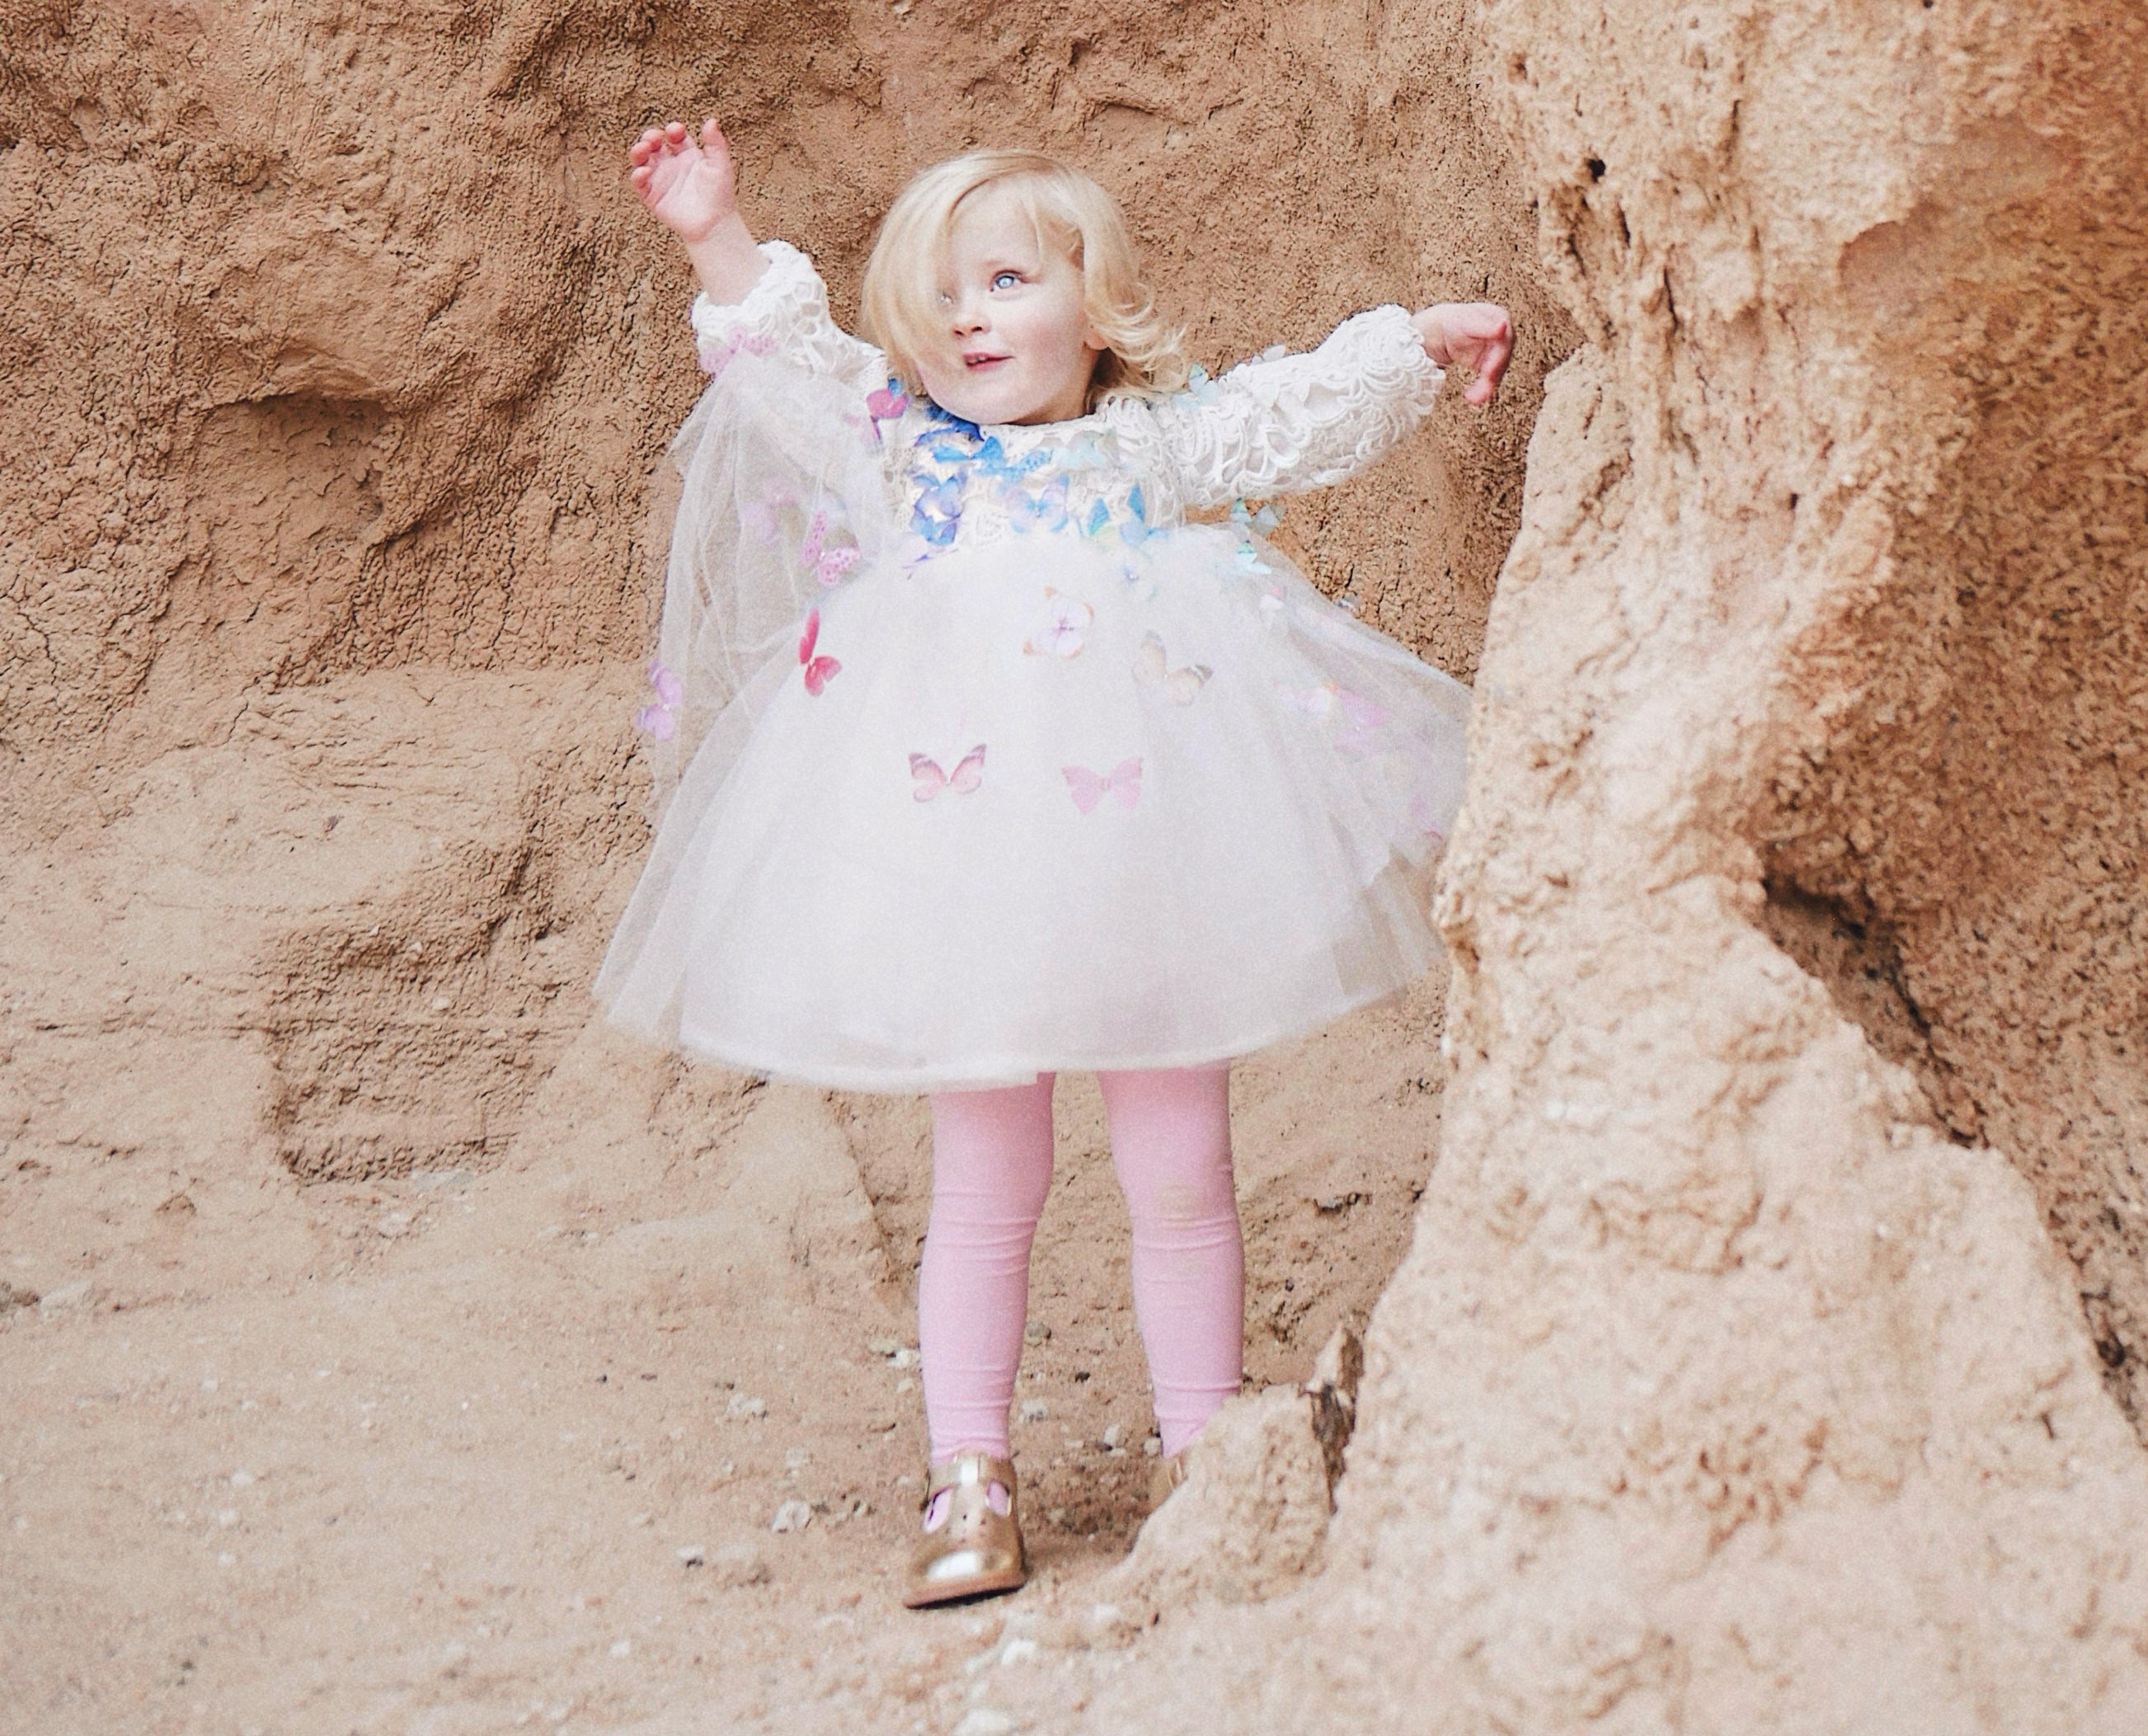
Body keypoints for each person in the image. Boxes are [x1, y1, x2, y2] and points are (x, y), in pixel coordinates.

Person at [595, 119, 1511, 1607]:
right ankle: (971, 1476)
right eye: (941, 294)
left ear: (1094, 308)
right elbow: (790, 364)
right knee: (985, 1177)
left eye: (1007, 279)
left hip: (1150, 856)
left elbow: (1292, 415)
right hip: (971, 874)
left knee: (1180, 1164)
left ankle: (1204, 1459)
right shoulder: (903, 449)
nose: (968, 315)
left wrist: (1415, 342)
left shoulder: (1145, 444)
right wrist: (715, 231)